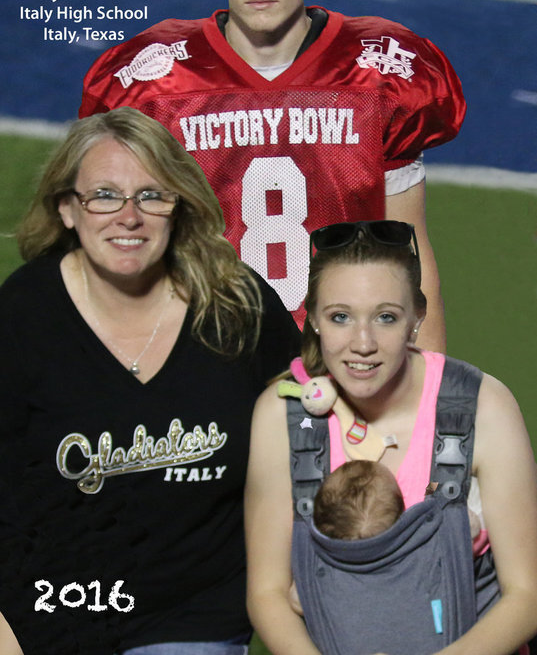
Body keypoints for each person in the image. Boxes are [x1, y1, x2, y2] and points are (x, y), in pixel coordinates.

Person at [79, 0, 467, 348]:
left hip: (343, 354)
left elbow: (410, 253)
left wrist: (427, 387)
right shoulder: (156, 83)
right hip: (201, 350)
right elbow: (117, 252)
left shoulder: (377, 72)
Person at [0, 107, 301, 655]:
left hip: (193, 615)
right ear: (68, 208)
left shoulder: (238, 306)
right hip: (45, 608)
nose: (129, 216)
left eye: (151, 195)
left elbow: (315, 432)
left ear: (178, 206)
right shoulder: (22, 315)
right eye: (105, 195)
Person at [245, 220, 537, 655]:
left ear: (417, 318)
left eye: (385, 317)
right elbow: (268, 593)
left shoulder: (482, 406)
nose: (363, 343)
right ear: (314, 319)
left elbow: (527, 596)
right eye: (340, 317)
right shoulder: (282, 415)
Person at [288, 459, 404, 617]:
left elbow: (296, 600)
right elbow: (430, 492)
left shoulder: (324, 572)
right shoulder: (406, 560)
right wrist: (435, 484)